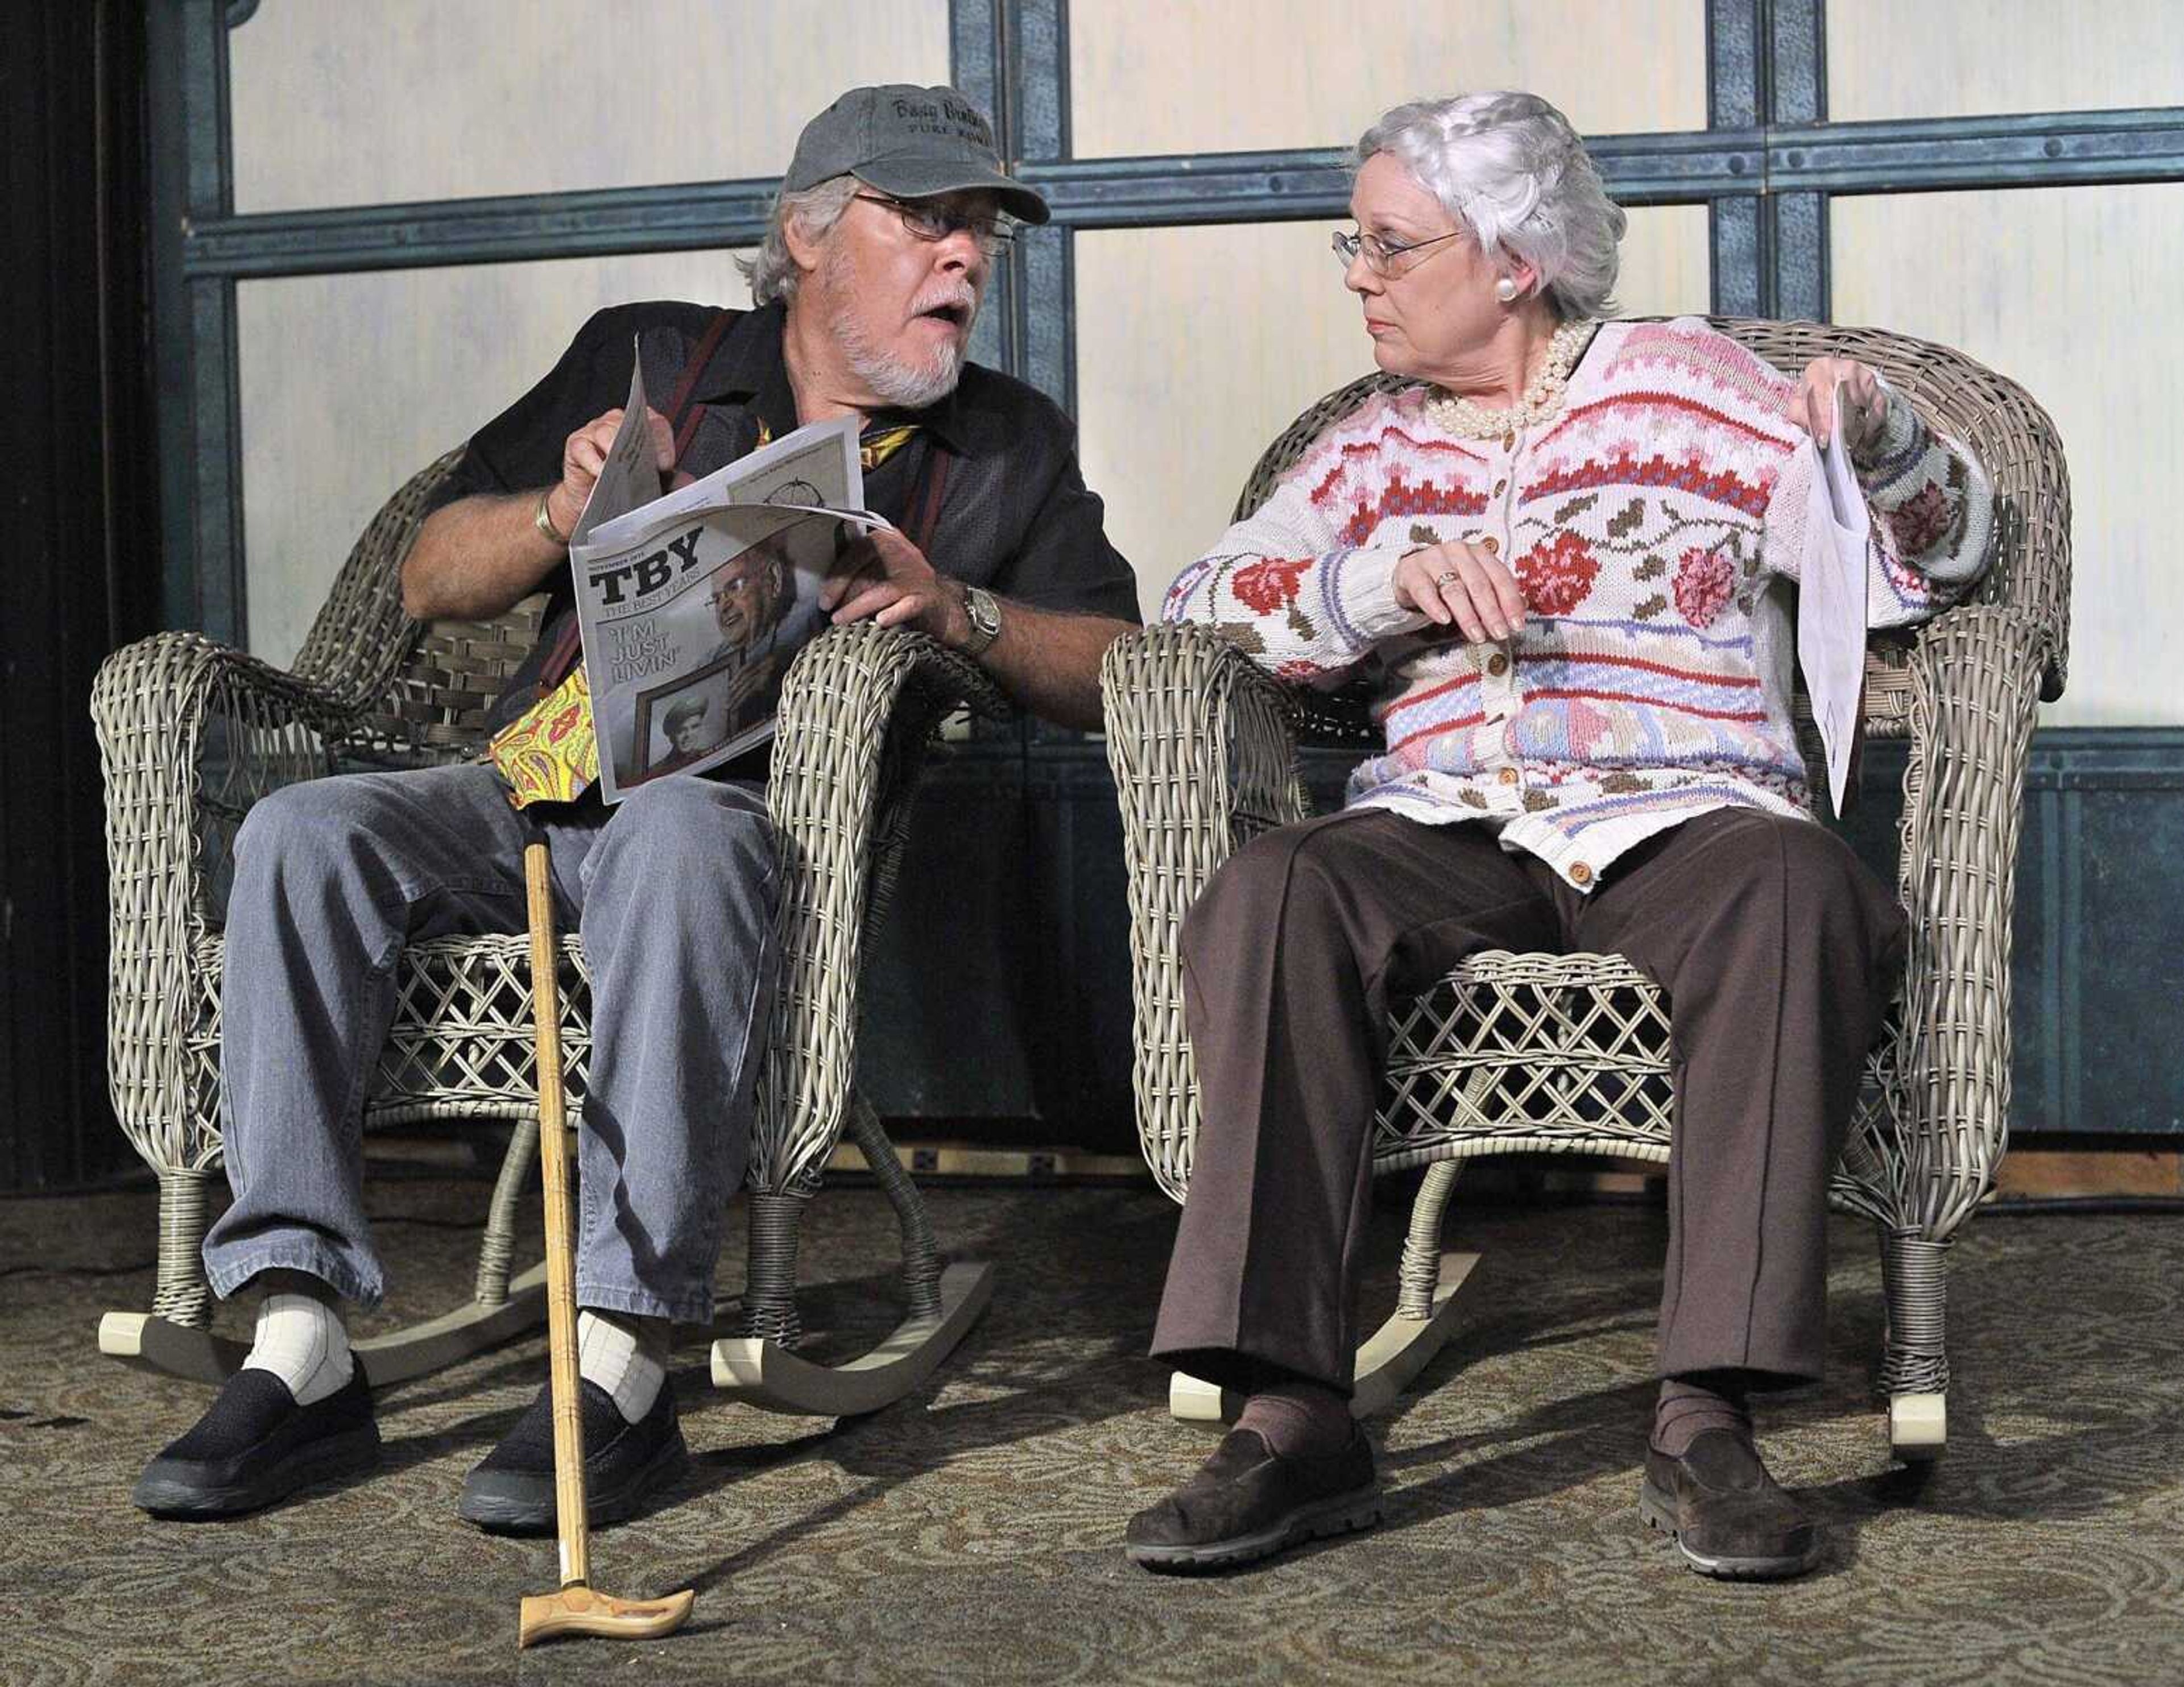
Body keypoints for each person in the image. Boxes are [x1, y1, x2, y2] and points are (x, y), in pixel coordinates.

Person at [132, 83, 1139, 1532]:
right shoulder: (652, 358)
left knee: (674, 828)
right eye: (925, 219)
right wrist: (556, 510)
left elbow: (1117, 671)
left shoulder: (1007, 445)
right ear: (805, 234)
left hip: (735, 830)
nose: (966, 257)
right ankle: (300, 1338)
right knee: (303, 830)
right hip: (522, 788)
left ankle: (619, 1361)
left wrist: (958, 608)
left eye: (978, 228)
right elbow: (428, 577)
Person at [1124, 90, 1992, 1579]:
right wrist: (1385, 580)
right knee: (1275, 890)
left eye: (1392, 245)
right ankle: (1291, 1414)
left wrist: (1888, 436)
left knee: (1801, 890)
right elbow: (1205, 602)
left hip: (1689, 814)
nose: (1359, 274)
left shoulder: (1690, 390)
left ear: (1516, 258)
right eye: (1359, 241)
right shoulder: (1370, 451)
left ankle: (1705, 1413)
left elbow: (1954, 552)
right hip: (1448, 827)